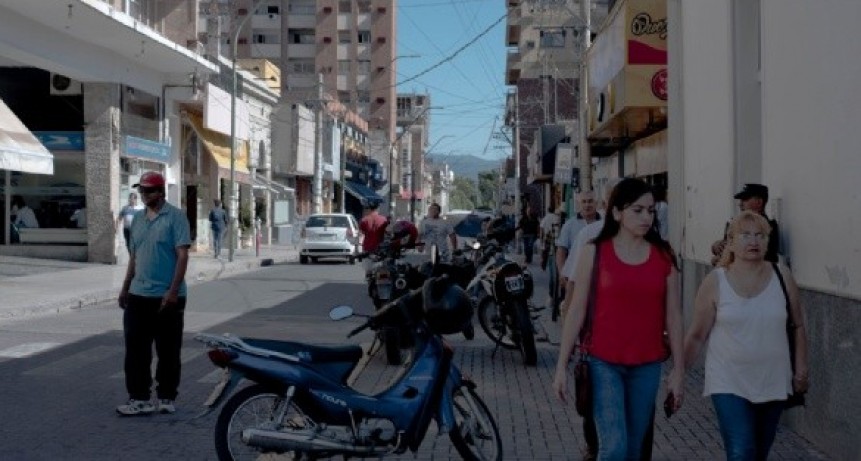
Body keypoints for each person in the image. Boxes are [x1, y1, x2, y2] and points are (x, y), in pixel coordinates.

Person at [552, 178, 684, 461]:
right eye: (637, 210)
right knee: (614, 449)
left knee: (636, 451)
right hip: (603, 363)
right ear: (616, 213)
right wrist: (562, 365)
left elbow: (673, 317)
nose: (646, 217)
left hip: (648, 364)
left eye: (651, 210)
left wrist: (679, 371)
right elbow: (576, 309)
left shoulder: (664, 257)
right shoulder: (594, 250)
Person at [684, 211, 808, 461]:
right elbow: (697, 335)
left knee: (759, 452)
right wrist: (678, 374)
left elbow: (798, 326)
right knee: (742, 451)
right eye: (745, 235)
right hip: (728, 379)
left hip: (772, 379)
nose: (754, 241)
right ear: (730, 241)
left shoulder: (781, 276)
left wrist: (801, 369)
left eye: (760, 235)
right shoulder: (715, 281)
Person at [116, 171, 191, 416]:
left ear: (161, 193)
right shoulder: (137, 219)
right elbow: (134, 257)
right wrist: (126, 287)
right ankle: (139, 398)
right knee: (136, 350)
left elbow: (182, 255)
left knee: (168, 350)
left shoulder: (176, 217)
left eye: (149, 191)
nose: (144, 194)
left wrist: (172, 292)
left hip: (168, 297)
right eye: (142, 190)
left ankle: (167, 396)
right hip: (139, 294)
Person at [711, 183, 780, 264]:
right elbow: (725, 248)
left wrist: (720, 259)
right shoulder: (736, 224)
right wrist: (716, 246)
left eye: (745, 200)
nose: (740, 204)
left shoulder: (767, 227)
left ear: (759, 202)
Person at [555, 191, 601, 292]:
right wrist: (562, 272)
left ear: (596, 203)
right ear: (579, 204)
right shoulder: (570, 225)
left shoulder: (604, 224)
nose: (587, 205)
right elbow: (561, 250)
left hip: (599, 275)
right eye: (583, 202)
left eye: (590, 201)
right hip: (575, 275)